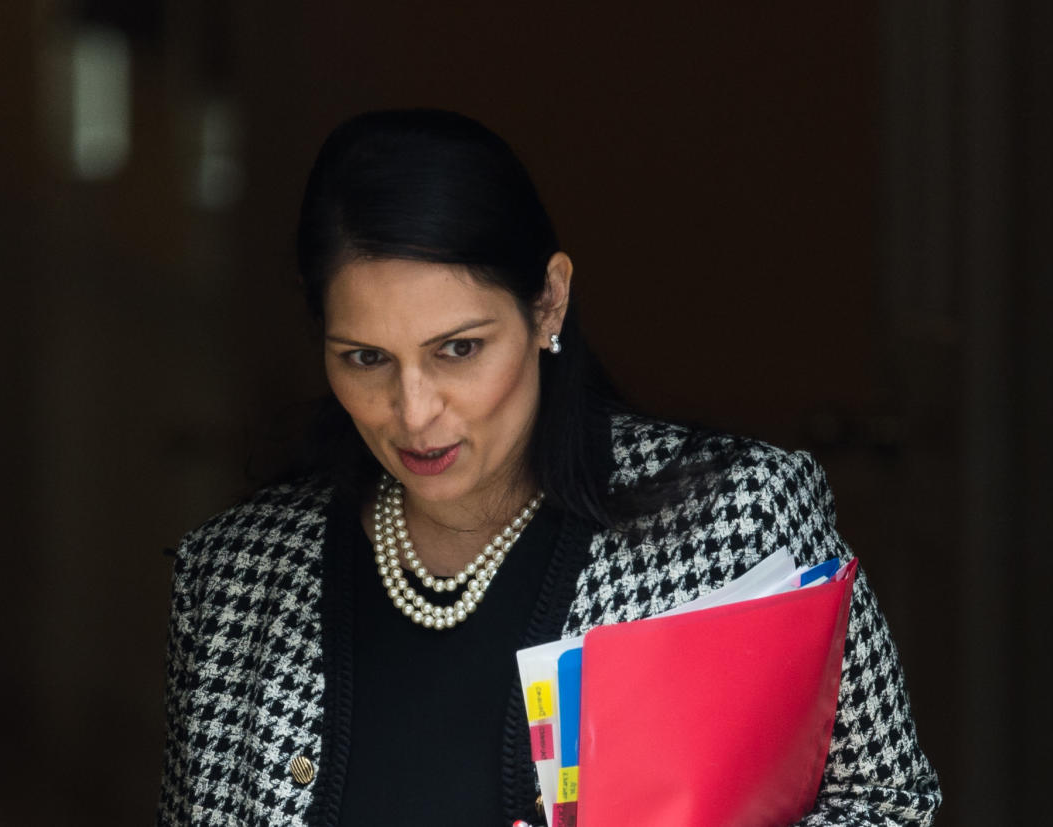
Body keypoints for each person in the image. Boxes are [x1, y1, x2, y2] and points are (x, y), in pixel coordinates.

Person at [157, 109, 941, 826]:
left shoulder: (736, 518)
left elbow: (889, 804)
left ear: (549, 304)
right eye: (366, 359)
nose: (415, 408)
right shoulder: (237, 579)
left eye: (458, 349)